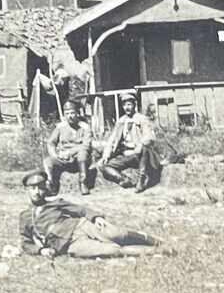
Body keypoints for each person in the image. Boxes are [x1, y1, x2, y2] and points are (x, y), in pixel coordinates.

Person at [17, 171, 164, 259]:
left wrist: (96, 217)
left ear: (45, 189)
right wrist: (41, 250)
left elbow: (80, 210)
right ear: (26, 190)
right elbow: (25, 243)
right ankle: (158, 251)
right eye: (33, 188)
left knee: (117, 234)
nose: (37, 192)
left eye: (40, 188)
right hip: (69, 245)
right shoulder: (25, 216)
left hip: (81, 226)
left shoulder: (56, 203)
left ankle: (154, 240)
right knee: (112, 250)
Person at [99, 90, 162, 193]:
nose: (127, 107)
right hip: (126, 154)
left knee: (144, 148)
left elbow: (150, 136)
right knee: (103, 166)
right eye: (124, 105)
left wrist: (141, 144)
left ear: (134, 105)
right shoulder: (121, 121)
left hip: (140, 155)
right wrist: (106, 155)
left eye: (129, 104)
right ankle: (124, 179)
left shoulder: (142, 119)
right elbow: (112, 139)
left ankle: (141, 179)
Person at [43, 98, 96, 195]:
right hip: (64, 159)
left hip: (80, 160)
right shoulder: (60, 127)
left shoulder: (84, 127)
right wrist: (55, 155)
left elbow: (86, 145)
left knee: (83, 152)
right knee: (48, 161)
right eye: (67, 114)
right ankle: (52, 186)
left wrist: (69, 153)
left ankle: (83, 183)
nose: (70, 116)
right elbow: (51, 142)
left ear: (77, 113)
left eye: (72, 113)